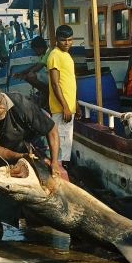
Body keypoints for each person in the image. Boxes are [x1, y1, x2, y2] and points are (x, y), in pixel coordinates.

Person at [0, 83, 64, 239]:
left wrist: (54, 162)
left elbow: (51, 130)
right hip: (9, 147)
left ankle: (50, 220)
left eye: (0, 104)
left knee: (53, 179)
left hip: (36, 140)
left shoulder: (22, 104)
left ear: (2, 97)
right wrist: (19, 157)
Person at [47, 25, 81, 166]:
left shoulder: (66, 55)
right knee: (61, 141)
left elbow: (69, 82)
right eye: (63, 40)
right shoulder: (55, 55)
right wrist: (65, 107)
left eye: (70, 40)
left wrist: (75, 104)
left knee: (67, 140)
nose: (67, 43)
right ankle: (60, 169)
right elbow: (55, 84)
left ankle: (63, 168)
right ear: (56, 40)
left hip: (68, 106)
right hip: (61, 108)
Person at [12, 36, 51, 105]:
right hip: (49, 77)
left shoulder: (49, 53)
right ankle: (45, 94)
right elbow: (34, 66)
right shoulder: (43, 55)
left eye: (35, 50)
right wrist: (21, 72)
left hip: (53, 77)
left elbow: (37, 68)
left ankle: (48, 94)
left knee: (31, 76)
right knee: (29, 76)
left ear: (41, 48)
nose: (35, 52)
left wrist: (24, 76)